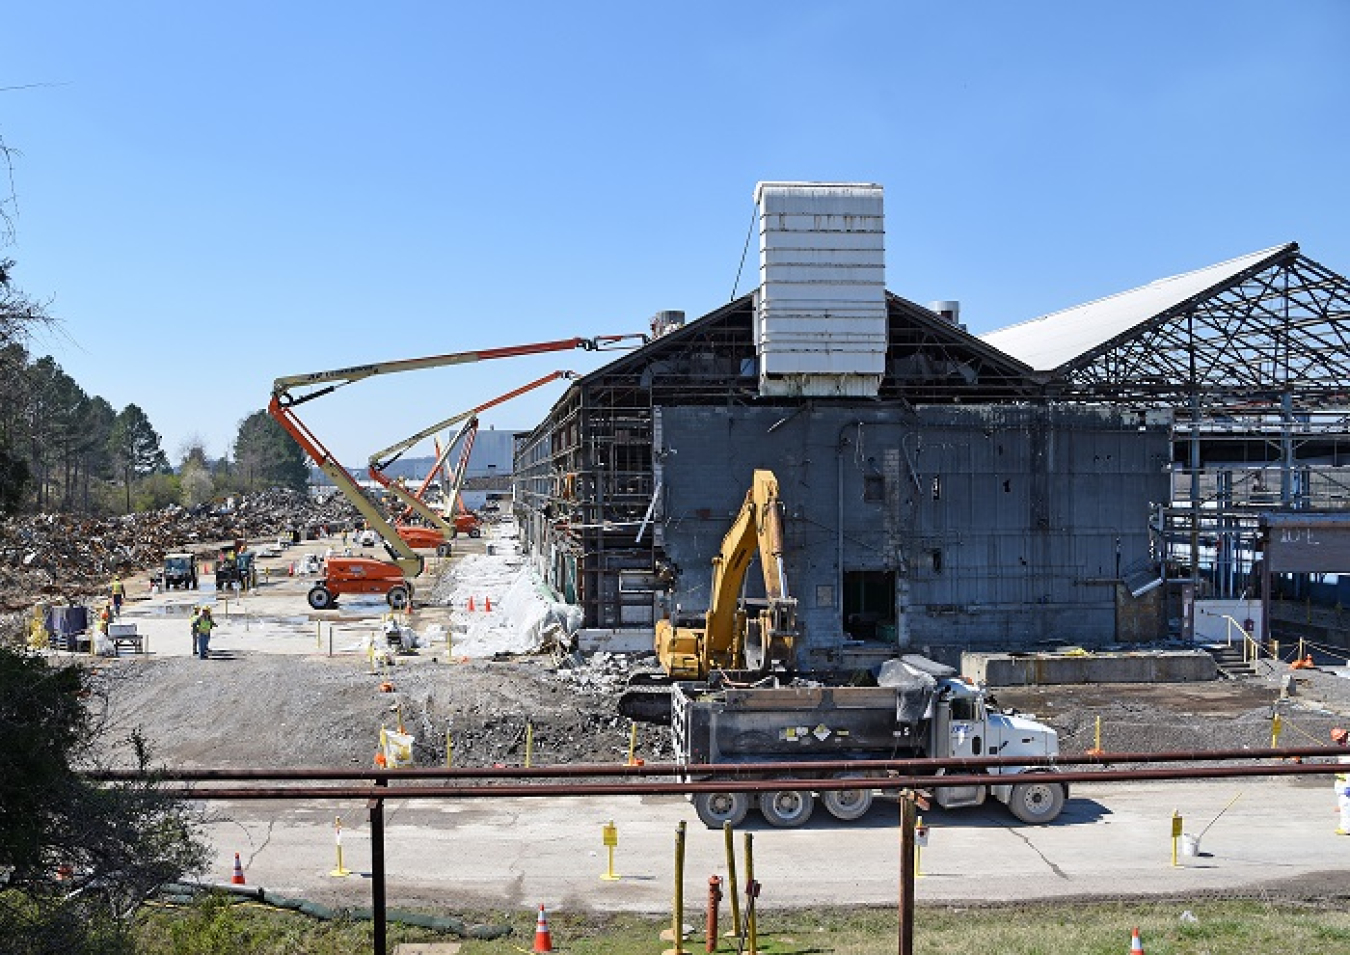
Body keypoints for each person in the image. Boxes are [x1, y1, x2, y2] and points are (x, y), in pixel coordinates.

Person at [1334, 727, 1350, 835]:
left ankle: (1346, 828)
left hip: (1346, 782)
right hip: (1341, 781)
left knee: (1346, 807)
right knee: (1343, 805)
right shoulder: (1343, 749)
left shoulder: (1347, 751)